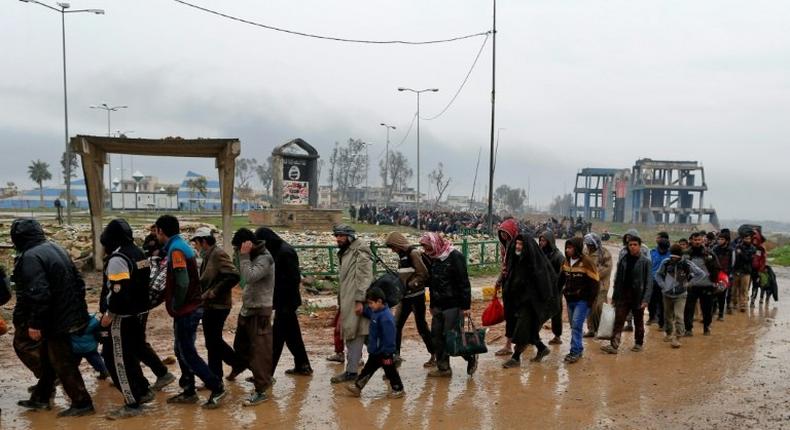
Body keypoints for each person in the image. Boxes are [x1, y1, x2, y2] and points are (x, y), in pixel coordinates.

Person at [11, 218, 94, 417]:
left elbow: (38, 293)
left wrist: (35, 323)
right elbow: (79, 281)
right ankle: (41, 396)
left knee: (60, 361)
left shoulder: (31, 257)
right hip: (69, 312)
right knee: (52, 358)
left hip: (55, 317)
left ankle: (82, 402)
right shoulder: (54, 247)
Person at [154, 215, 226, 409]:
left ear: (161, 231)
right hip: (191, 307)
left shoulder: (176, 250)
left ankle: (216, 386)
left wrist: (177, 304)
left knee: (187, 352)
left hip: (187, 309)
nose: (155, 235)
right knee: (181, 349)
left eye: (156, 231)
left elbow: (183, 281)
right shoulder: (179, 246)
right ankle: (188, 390)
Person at [255, 227, 313, 376]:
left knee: (277, 338)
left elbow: (294, 278)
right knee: (292, 336)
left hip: (286, 301)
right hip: (284, 301)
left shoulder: (285, 252)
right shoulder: (277, 250)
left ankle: (266, 373)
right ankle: (303, 365)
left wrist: (282, 299)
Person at [190, 227, 246, 381]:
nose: (195, 246)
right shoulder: (208, 255)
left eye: (196, 242)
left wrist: (214, 292)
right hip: (210, 305)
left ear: (203, 241)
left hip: (218, 306)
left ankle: (237, 363)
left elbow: (233, 275)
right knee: (212, 341)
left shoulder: (218, 254)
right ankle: (216, 376)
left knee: (213, 341)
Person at [421, 232, 477, 377]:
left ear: (435, 243)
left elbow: (464, 283)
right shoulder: (433, 258)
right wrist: (432, 304)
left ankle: (470, 357)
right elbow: (433, 284)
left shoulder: (455, 257)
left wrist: (466, 307)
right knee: (436, 336)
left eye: (427, 246)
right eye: (424, 247)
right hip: (438, 305)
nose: (426, 250)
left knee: (452, 337)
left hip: (453, 304)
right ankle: (443, 368)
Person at [501, 235, 560, 368]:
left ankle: (515, 358)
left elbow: (545, 284)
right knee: (530, 330)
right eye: (516, 244)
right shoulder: (515, 260)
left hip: (531, 304)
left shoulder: (536, 264)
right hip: (517, 302)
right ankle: (542, 348)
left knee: (522, 330)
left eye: (521, 244)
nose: (517, 246)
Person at [232, 228, 276, 406]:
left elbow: (249, 277)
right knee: (240, 346)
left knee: (260, 352)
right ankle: (262, 376)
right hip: (248, 308)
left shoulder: (264, 258)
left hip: (260, 311)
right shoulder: (252, 256)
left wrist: (243, 256)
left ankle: (261, 389)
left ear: (247, 245)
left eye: (238, 248)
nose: (236, 252)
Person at [330, 224, 373, 384]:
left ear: (350, 236)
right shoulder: (347, 251)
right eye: (337, 236)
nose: (338, 239)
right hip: (348, 300)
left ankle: (352, 372)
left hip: (356, 301)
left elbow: (364, 277)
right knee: (357, 336)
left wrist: (359, 300)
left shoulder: (359, 251)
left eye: (341, 236)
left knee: (356, 336)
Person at [384, 231, 433, 367]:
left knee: (421, 326)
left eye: (393, 247)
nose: (393, 250)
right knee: (396, 326)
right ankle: (395, 356)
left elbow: (423, 274)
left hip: (416, 296)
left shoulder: (413, 253)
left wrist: (409, 285)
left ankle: (434, 354)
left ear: (398, 244)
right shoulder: (402, 256)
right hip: (404, 297)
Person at [345, 287, 404, 398]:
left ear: (379, 301)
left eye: (371, 303)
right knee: (368, 369)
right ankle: (358, 386)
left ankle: (398, 389)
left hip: (384, 352)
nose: (370, 306)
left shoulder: (386, 318)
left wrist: (387, 353)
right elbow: (369, 312)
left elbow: (389, 337)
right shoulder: (375, 312)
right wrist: (363, 310)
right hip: (375, 351)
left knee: (390, 371)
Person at [600, 236, 652, 354]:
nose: (632, 247)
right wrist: (614, 296)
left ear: (639, 246)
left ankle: (638, 343)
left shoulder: (646, 262)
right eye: (630, 245)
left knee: (638, 321)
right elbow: (618, 279)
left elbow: (649, 282)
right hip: (623, 295)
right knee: (619, 320)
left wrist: (646, 299)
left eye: (635, 244)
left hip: (638, 296)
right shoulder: (623, 259)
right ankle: (614, 346)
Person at [655, 244, 707, 348]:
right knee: (667, 316)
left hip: (681, 295)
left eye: (676, 257)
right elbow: (658, 274)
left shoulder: (687, 264)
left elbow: (701, 273)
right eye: (672, 256)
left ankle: (677, 338)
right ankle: (669, 333)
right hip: (666, 294)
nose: (673, 258)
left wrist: (690, 283)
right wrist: (662, 285)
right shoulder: (665, 263)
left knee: (679, 316)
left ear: (680, 256)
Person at [559, 238, 599, 363]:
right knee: (574, 325)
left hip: (583, 301)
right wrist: (558, 291)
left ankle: (574, 351)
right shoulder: (565, 262)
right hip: (570, 299)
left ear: (577, 248)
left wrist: (590, 301)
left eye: (570, 248)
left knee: (576, 324)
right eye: (566, 248)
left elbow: (595, 283)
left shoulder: (587, 262)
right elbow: (560, 279)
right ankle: (579, 348)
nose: (567, 250)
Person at [683, 232, 720, 336]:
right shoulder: (686, 254)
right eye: (695, 240)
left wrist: (715, 283)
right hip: (691, 286)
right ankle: (688, 329)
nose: (697, 242)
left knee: (707, 309)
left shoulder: (710, 253)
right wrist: (683, 282)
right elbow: (680, 270)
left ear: (703, 240)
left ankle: (706, 327)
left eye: (699, 240)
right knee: (688, 309)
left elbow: (716, 269)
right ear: (691, 240)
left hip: (707, 286)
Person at [494, 219, 520, 356]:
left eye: (506, 233)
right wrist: (499, 281)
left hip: (518, 287)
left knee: (520, 316)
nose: (503, 236)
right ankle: (509, 344)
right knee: (510, 315)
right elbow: (504, 267)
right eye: (501, 233)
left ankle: (526, 342)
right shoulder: (504, 247)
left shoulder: (519, 247)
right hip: (508, 285)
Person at [582, 233, 613, 338]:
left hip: (601, 284)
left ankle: (602, 330)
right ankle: (591, 329)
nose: (589, 247)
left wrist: (593, 274)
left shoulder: (604, 253)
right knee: (590, 307)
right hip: (587, 285)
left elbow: (607, 268)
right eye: (588, 244)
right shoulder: (585, 252)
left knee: (599, 307)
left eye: (591, 245)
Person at [538, 230, 565, 345]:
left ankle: (557, 336)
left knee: (556, 313)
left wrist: (557, 287)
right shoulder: (539, 254)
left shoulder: (558, 256)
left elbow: (563, 273)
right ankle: (534, 335)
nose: (541, 242)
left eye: (544, 240)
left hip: (555, 290)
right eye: (540, 240)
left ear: (550, 241)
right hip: (542, 289)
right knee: (538, 312)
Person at [70, 313, 109, 380]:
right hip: (90, 348)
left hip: (75, 349)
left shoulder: (68, 323)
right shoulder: (93, 321)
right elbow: (100, 334)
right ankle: (104, 372)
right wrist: (103, 338)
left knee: (72, 365)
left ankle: (70, 377)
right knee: (97, 361)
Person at [647, 232, 672, 328]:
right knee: (651, 301)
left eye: (664, 248)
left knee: (663, 303)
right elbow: (649, 265)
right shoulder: (652, 252)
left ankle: (662, 322)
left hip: (665, 282)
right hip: (652, 281)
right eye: (661, 248)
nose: (662, 250)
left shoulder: (670, 254)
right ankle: (651, 317)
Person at [731, 231, 756, 312]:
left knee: (744, 290)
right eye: (746, 238)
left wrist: (741, 253)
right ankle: (734, 303)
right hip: (736, 271)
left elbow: (748, 259)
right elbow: (734, 259)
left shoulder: (753, 248)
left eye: (749, 238)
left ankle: (743, 305)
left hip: (746, 272)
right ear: (743, 239)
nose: (747, 240)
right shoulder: (737, 247)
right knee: (734, 289)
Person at [711, 229, 733, 320]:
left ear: (726, 241)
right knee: (713, 293)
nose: (720, 240)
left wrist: (729, 274)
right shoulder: (715, 249)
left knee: (722, 294)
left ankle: (720, 314)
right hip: (715, 273)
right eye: (719, 239)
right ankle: (712, 312)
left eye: (722, 239)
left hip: (725, 275)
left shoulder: (731, 250)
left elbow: (733, 263)